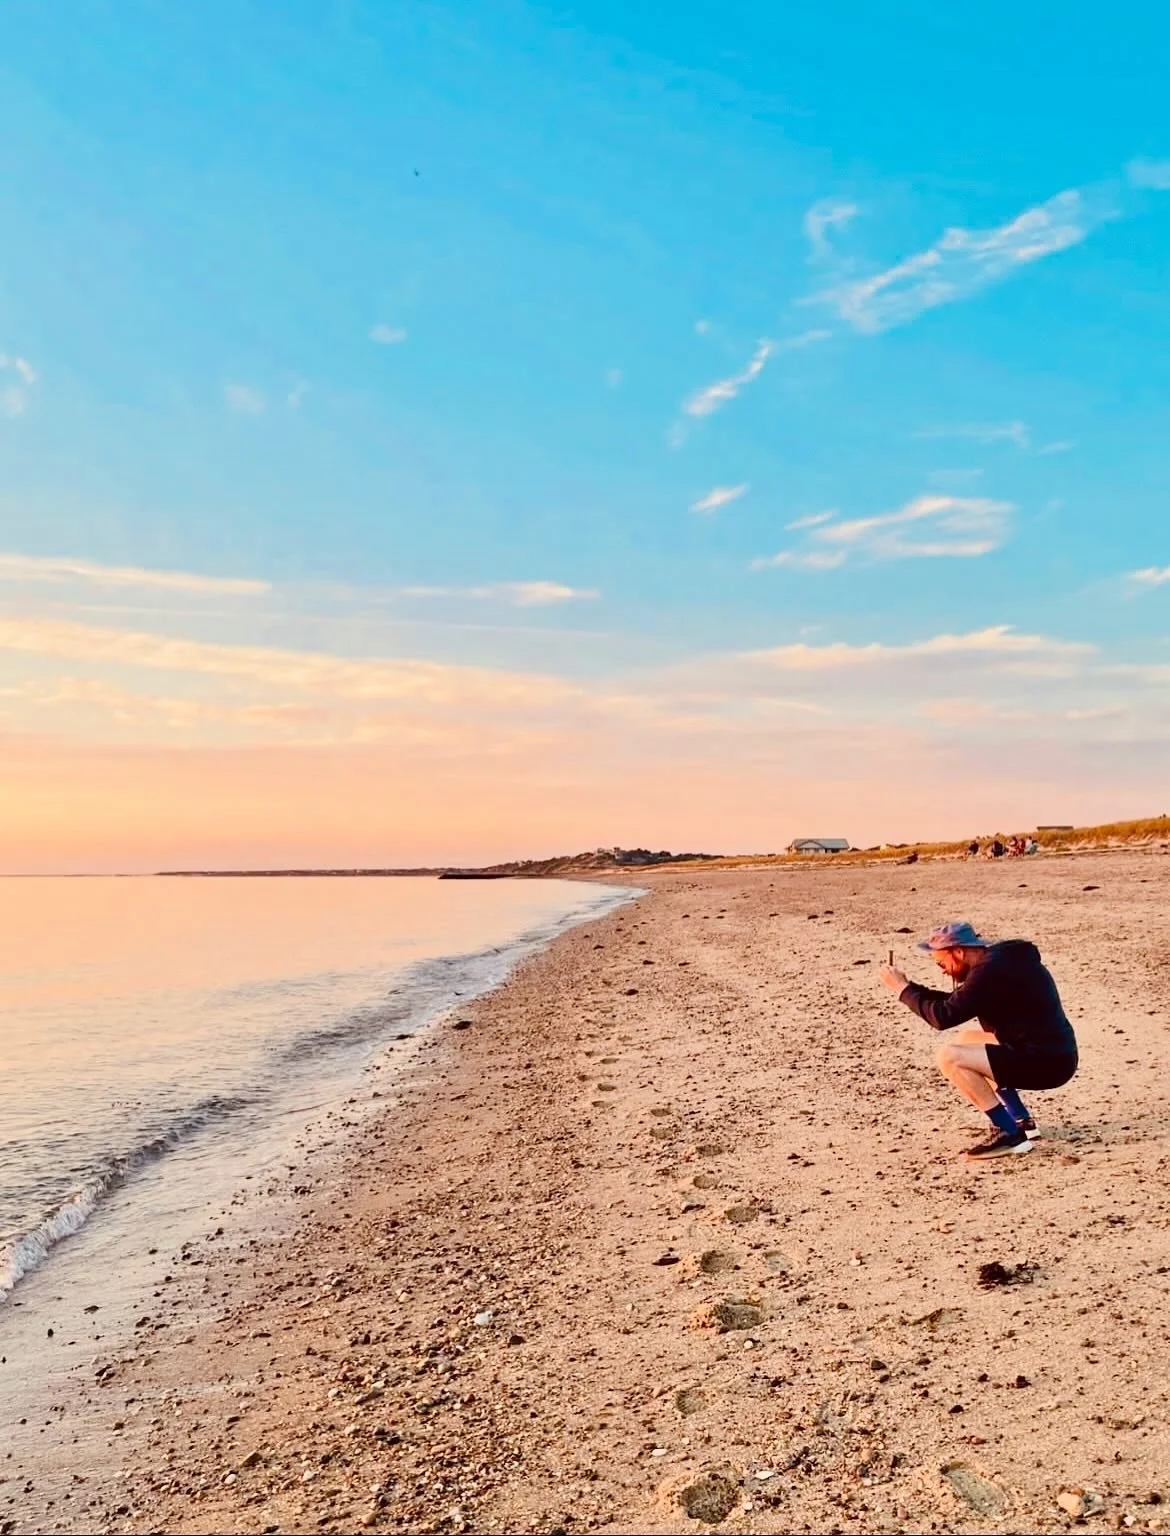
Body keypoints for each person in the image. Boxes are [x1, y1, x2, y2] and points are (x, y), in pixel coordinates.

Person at [879, 921, 1078, 1160]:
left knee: (949, 1057)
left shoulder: (991, 971)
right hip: (1053, 1054)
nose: (943, 970)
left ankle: (1008, 1133)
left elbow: (943, 1017)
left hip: (1047, 1063)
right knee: (967, 1040)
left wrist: (903, 990)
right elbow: (956, 1002)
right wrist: (910, 988)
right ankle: (1021, 1121)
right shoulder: (999, 963)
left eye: (942, 963)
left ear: (959, 951)